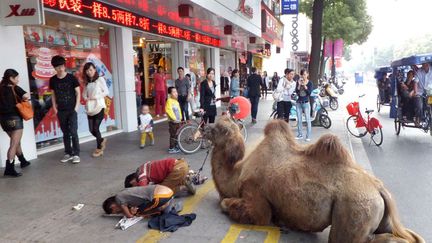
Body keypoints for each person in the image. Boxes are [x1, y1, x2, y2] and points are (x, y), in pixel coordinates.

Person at [49, 55, 81, 163]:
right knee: (65, 132)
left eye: (61, 66)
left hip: (72, 109)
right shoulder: (53, 80)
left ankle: (76, 154)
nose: (60, 68)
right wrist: (54, 107)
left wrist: (76, 107)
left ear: (64, 65)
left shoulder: (71, 78)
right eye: (57, 67)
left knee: (73, 131)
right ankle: (68, 153)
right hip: (61, 110)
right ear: (54, 68)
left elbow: (78, 93)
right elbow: (53, 94)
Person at [0, 69, 31, 177]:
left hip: (3, 120)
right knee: (13, 144)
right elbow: (26, 95)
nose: (18, 79)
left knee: (16, 142)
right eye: (16, 77)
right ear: (11, 78)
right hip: (15, 119)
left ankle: (23, 161)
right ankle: (9, 168)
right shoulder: (14, 88)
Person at [124, 158, 195, 195]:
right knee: (158, 186)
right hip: (181, 165)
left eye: (134, 187)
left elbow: (143, 191)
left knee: (161, 191)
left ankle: (182, 186)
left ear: (132, 181)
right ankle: (184, 180)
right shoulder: (143, 167)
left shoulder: (141, 175)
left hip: (177, 169)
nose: (136, 187)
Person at [82, 62, 109, 158]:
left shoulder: (100, 79)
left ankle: (99, 149)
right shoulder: (87, 82)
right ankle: (101, 140)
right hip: (90, 108)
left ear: (94, 69)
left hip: (99, 106)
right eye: (87, 70)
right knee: (91, 130)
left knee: (96, 128)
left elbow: (106, 92)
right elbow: (84, 94)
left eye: (91, 70)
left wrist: (95, 97)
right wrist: (86, 98)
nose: (89, 72)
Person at [103, 185, 174, 218]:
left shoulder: (118, 198)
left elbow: (129, 215)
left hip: (159, 196)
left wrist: (132, 213)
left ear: (113, 206)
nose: (120, 212)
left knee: (138, 213)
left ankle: (160, 209)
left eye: (116, 212)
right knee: (165, 212)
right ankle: (164, 205)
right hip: (167, 192)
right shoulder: (124, 195)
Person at [295, 69, 313, 141]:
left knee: (308, 120)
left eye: (305, 74)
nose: (303, 76)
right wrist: (299, 85)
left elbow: (309, 93)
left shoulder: (310, 83)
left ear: (307, 74)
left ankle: (308, 136)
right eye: (302, 75)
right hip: (298, 103)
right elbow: (296, 92)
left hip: (306, 103)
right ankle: (300, 135)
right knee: (299, 120)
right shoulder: (298, 82)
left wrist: (305, 85)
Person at [165, 87, 182, 154]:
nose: (176, 93)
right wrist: (174, 119)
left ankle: (176, 145)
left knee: (177, 134)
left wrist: (180, 118)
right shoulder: (169, 101)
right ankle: (171, 148)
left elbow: (179, 111)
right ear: (170, 94)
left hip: (178, 121)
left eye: (176, 92)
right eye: (174, 92)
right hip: (173, 122)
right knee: (173, 135)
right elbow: (169, 110)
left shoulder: (176, 101)